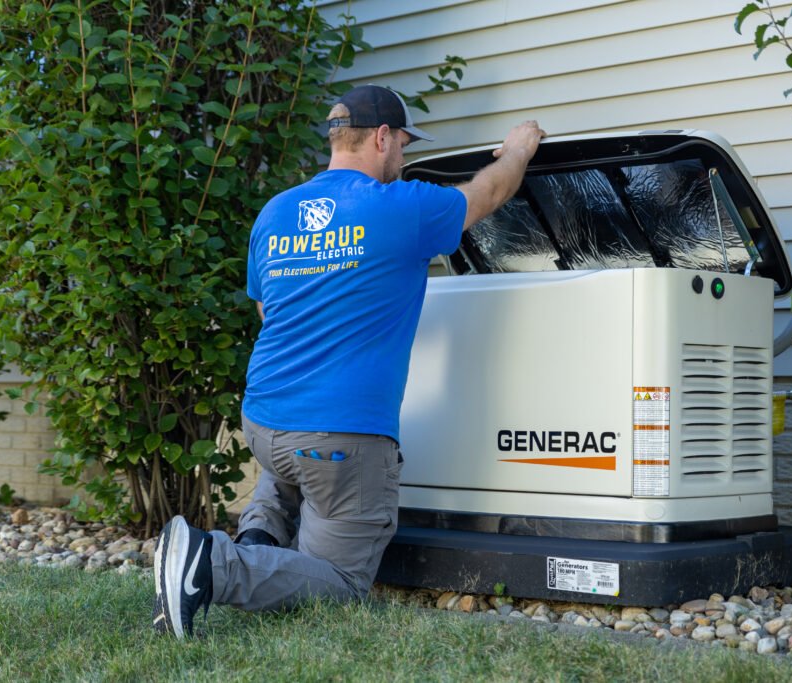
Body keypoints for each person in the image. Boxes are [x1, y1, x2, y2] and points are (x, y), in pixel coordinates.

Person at [152, 84, 545, 639]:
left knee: (290, 467)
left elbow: (272, 313)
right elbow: (488, 194)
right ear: (382, 138)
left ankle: (259, 541)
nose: (404, 159)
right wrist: (519, 148)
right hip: (341, 439)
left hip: (264, 422)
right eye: (404, 145)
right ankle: (208, 564)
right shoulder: (400, 207)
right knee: (339, 583)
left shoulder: (275, 213)